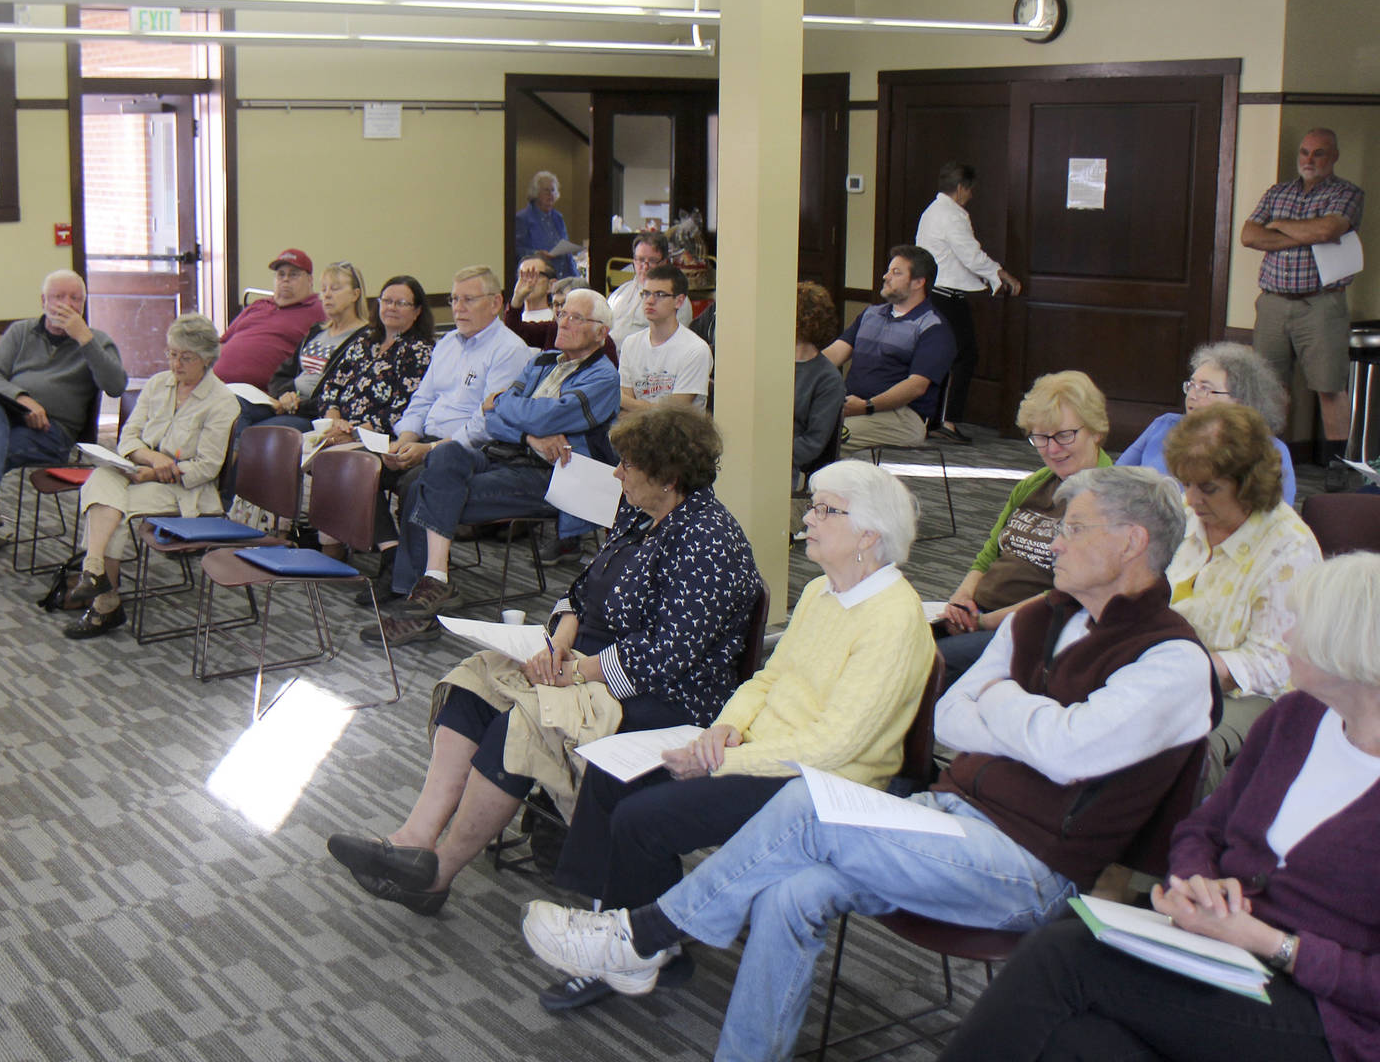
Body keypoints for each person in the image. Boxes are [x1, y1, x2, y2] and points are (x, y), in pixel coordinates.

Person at [518, 466, 1216, 1062]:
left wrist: (1007, 709)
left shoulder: (1172, 658)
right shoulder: (1042, 618)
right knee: (791, 894)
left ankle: (642, 936)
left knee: (805, 804)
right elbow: (953, 717)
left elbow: (1067, 752)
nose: (1053, 542)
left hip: (1035, 866)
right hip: (946, 816)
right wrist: (1034, 722)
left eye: (1076, 528)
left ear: (1132, 543)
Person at [939, 551, 1380, 1062]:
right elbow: (1203, 829)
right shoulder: (1297, 718)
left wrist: (1270, 941)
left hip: (1330, 1015)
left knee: (1060, 957)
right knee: (1075, 1040)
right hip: (1222, 952)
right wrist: (1195, 880)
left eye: (1299, 623)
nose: (1285, 636)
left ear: (1344, 645)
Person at [327, 405, 763, 916]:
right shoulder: (639, 511)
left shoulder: (707, 538)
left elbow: (666, 653)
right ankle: (413, 839)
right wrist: (559, 640)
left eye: (627, 465)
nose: (617, 473)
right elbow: (583, 590)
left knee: (524, 721)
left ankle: (436, 874)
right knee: (474, 682)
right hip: (586, 661)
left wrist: (574, 671)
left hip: (665, 694)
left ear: (667, 477)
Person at [540, 460, 935, 1012]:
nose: (809, 520)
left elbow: (835, 747)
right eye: (814, 506)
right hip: (762, 752)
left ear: (869, 534)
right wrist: (726, 728)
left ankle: (635, 947)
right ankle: (624, 932)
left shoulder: (893, 620)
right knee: (612, 771)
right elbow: (769, 678)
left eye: (825, 510)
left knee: (643, 815)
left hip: (823, 786)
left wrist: (720, 761)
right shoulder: (825, 590)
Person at [362, 288, 620, 647]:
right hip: (508, 453)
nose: (564, 321)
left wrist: (508, 409)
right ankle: (433, 582)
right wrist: (528, 435)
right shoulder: (543, 362)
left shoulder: (604, 378)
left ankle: (419, 599)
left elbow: (540, 414)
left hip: (554, 477)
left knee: (425, 489)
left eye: (577, 318)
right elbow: (493, 418)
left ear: (600, 333)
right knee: (443, 457)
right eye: (562, 313)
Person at [0, 269, 128, 586]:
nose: (66, 304)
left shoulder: (96, 341)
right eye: (58, 297)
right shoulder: (20, 333)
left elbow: (116, 386)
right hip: (11, 419)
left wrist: (84, 338)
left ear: (84, 305)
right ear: (43, 301)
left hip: (55, 435)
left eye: (75, 299)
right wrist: (23, 400)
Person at [1165, 402, 1323, 787]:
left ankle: (1190, 843)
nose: (1191, 499)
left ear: (1250, 481)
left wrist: (1180, 670)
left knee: (1188, 746)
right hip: (1173, 669)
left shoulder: (1289, 549)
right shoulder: (1190, 521)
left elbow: (1274, 664)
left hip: (1253, 695)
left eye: (1208, 488)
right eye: (1186, 484)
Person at [55, 315, 239, 640]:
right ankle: (95, 570)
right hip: (140, 473)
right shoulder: (158, 384)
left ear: (208, 358)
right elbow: (128, 438)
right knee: (100, 480)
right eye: (171, 354)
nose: (175, 364)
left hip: (184, 491)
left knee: (114, 509)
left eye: (186, 357)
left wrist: (155, 472)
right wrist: (151, 459)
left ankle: (104, 601)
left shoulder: (221, 402)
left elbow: (206, 468)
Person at [938, 371, 1112, 681]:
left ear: (1096, 431)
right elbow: (990, 553)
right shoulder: (1034, 484)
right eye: (1041, 438)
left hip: (1035, 628)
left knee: (932, 662)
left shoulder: (1107, 499)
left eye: (1064, 435)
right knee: (897, 643)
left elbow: (1066, 595)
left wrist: (986, 622)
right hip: (980, 614)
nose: (1052, 449)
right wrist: (962, 599)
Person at [1242, 128, 1364, 458]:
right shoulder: (1277, 192)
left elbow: (1328, 229)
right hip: (1273, 303)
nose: (1309, 160)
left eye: (1319, 153)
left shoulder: (1347, 193)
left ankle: (1340, 463)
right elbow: (1249, 236)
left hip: (1320, 305)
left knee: (1329, 387)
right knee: (1268, 385)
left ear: (1334, 157)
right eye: (1305, 152)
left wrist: (1278, 225)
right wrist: (1306, 234)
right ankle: (1266, 457)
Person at [382, 265, 534, 486]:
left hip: (469, 451)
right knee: (364, 469)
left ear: (495, 303)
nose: (458, 308)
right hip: (426, 441)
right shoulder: (447, 343)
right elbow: (422, 400)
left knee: (415, 483)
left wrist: (430, 450)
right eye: (454, 299)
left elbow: (488, 424)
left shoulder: (509, 349)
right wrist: (403, 441)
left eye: (468, 300)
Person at [914, 161, 1021, 444]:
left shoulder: (931, 212)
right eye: (970, 190)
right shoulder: (952, 215)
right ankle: (946, 421)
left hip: (934, 291)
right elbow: (970, 255)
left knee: (946, 355)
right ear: (961, 188)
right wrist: (1001, 275)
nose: (971, 196)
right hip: (947, 295)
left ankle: (933, 418)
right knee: (963, 355)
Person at [1117, 341, 1299, 504]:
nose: (1192, 395)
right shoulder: (1165, 425)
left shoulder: (1267, 449)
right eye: (1191, 385)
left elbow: (1276, 513)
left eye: (1205, 388)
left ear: (1239, 400)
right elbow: (1115, 478)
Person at [822, 246, 956, 451]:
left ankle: (812, 483)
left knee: (825, 435)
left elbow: (916, 386)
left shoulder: (933, 327)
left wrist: (867, 405)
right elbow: (834, 354)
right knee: (793, 424)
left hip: (902, 417)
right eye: (888, 270)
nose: (886, 277)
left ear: (919, 282)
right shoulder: (871, 314)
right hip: (852, 407)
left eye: (896, 272)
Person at [311, 274, 436, 446]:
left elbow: (402, 410)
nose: (391, 307)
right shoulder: (365, 341)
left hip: (375, 439)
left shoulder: (418, 351)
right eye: (386, 301)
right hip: (338, 430)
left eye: (401, 303)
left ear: (417, 311)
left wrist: (354, 433)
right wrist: (335, 421)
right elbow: (331, 385)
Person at [260, 259, 368, 426]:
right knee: (237, 408)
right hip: (288, 404)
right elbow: (281, 375)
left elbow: (346, 394)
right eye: (323, 289)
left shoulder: (365, 339)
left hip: (314, 414)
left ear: (355, 294)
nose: (327, 295)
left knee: (263, 432)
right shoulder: (317, 331)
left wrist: (297, 406)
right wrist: (285, 395)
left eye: (335, 288)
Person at [216, 248, 325, 398]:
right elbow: (221, 344)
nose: (285, 279)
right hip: (217, 387)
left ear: (310, 280)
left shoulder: (319, 309)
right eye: (281, 274)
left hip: (260, 395)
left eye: (293, 274)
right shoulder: (258, 305)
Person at [619, 265, 710, 413]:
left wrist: (625, 401)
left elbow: (671, 413)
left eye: (660, 294)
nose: (649, 300)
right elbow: (624, 410)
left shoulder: (696, 349)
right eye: (646, 293)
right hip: (635, 432)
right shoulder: (630, 343)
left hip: (680, 434)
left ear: (679, 301)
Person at [794, 281, 846, 487]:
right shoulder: (769, 361)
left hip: (787, 464)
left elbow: (812, 444)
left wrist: (766, 451)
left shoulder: (828, 379)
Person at [606, 231, 693, 347]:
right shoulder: (619, 294)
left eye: (652, 261)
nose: (645, 266)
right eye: (640, 260)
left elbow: (674, 344)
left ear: (665, 262)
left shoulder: (675, 300)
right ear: (633, 261)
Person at [515, 171, 582, 280]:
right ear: (535, 193)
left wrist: (577, 280)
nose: (551, 195)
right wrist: (537, 254)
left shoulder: (558, 218)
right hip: (539, 279)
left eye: (553, 190)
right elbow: (516, 250)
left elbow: (567, 255)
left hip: (562, 279)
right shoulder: (523, 218)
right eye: (546, 191)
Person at [505, 251, 560, 351]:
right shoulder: (510, 318)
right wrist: (517, 298)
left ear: (551, 285)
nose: (528, 282)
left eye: (534, 275)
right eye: (522, 276)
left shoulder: (556, 322)